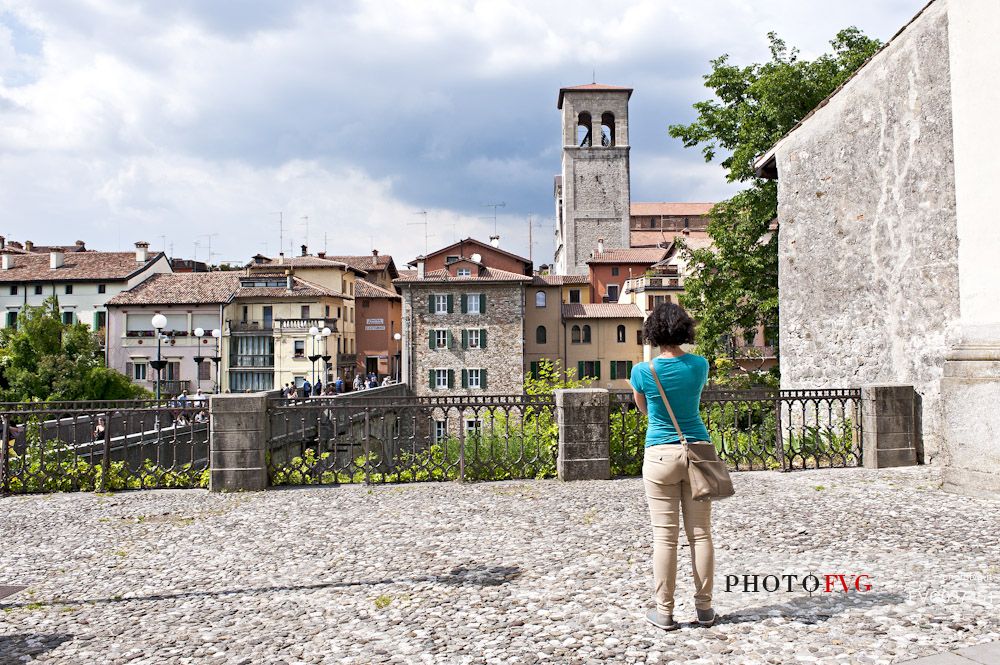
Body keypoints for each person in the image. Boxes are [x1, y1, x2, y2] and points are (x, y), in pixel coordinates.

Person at [630, 302, 716, 631]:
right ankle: (705, 609)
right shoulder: (700, 365)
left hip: (660, 454)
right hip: (698, 451)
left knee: (664, 538)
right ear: (684, 329)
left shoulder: (642, 371)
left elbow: (645, 410)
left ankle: (664, 612)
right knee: (701, 534)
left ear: (652, 332)